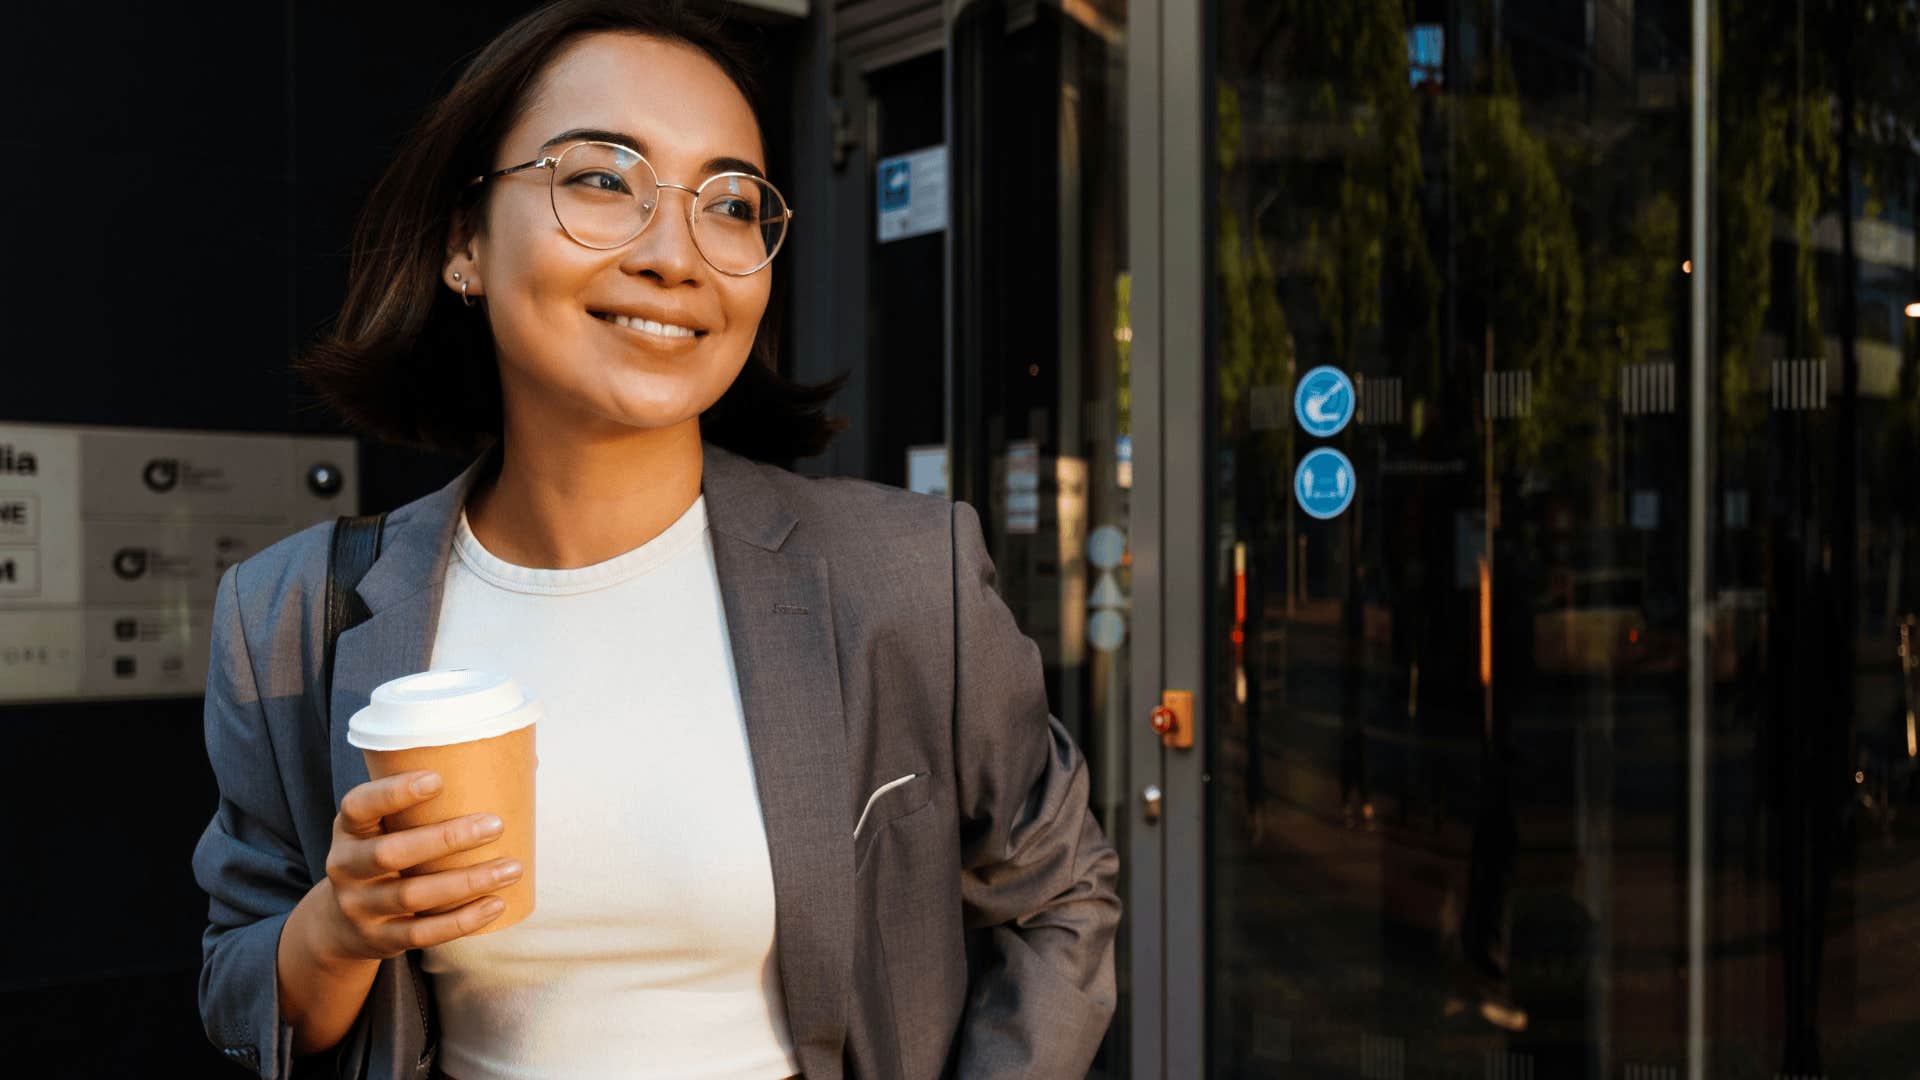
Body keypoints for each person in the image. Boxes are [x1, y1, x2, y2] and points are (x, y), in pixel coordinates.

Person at [190, 3, 1121, 1077]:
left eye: (730, 203)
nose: (677, 253)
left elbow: (1061, 900)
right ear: (464, 243)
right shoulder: (294, 616)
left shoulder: (905, 580)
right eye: (600, 179)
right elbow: (238, 986)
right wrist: (338, 927)